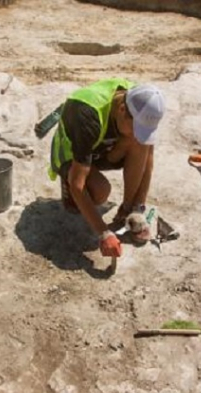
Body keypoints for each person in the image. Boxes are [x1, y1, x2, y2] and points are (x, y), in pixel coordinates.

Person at [47, 79, 165, 259]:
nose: (137, 133)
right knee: (100, 191)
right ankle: (68, 180)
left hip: (100, 149)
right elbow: (78, 185)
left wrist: (136, 208)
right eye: (136, 128)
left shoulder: (139, 100)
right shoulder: (85, 113)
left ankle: (128, 209)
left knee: (141, 144)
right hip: (71, 154)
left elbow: (148, 159)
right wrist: (104, 233)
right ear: (122, 110)